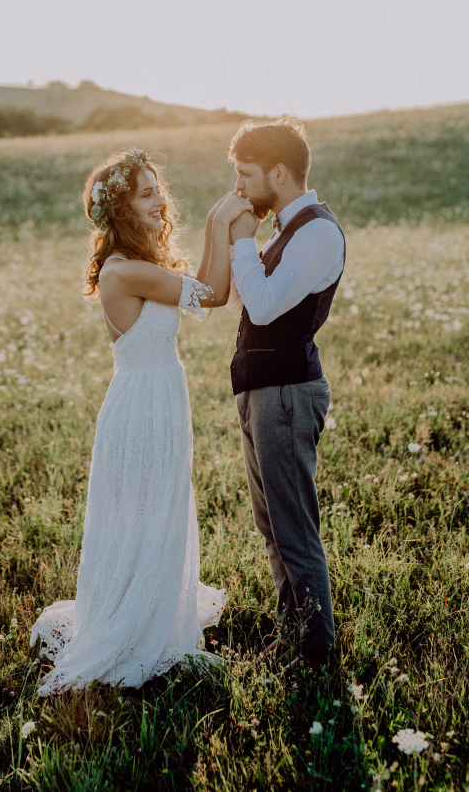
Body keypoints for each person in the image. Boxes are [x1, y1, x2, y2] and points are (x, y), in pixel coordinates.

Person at [30, 148, 245, 693]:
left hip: (161, 398)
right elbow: (214, 293)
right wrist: (220, 223)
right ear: (121, 208)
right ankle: (134, 626)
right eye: (146, 193)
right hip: (141, 407)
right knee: (145, 514)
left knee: (162, 510)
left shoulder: (140, 267)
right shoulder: (123, 272)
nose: (160, 200)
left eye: (158, 190)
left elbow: (201, 289)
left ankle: (154, 612)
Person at [205, 118, 346, 672]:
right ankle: (294, 637)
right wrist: (234, 237)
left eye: (246, 175)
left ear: (279, 172)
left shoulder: (316, 232)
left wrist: (243, 238)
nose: (240, 188)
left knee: (293, 528)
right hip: (263, 389)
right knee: (272, 528)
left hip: (288, 393)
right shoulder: (287, 229)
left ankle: (314, 657)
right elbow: (249, 305)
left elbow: (262, 308)